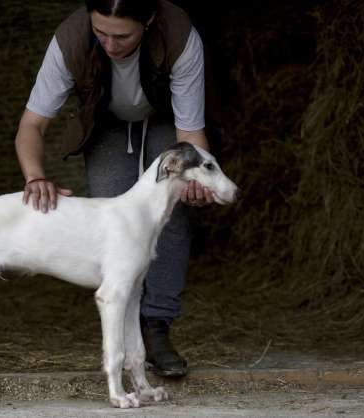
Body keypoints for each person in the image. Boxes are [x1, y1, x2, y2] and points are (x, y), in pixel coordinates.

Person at [14, 0, 215, 377]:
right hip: (104, 121)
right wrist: (35, 176)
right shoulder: (69, 40)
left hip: (164, 119)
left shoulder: (179, 35)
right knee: (111, 215)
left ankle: (156, 326)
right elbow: (31, 125)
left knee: (167, 210)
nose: (109, 44)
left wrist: (198, 177)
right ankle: (122, 329)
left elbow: (189, 133)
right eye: (100, 32)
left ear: (149, 21)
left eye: (122, 35)